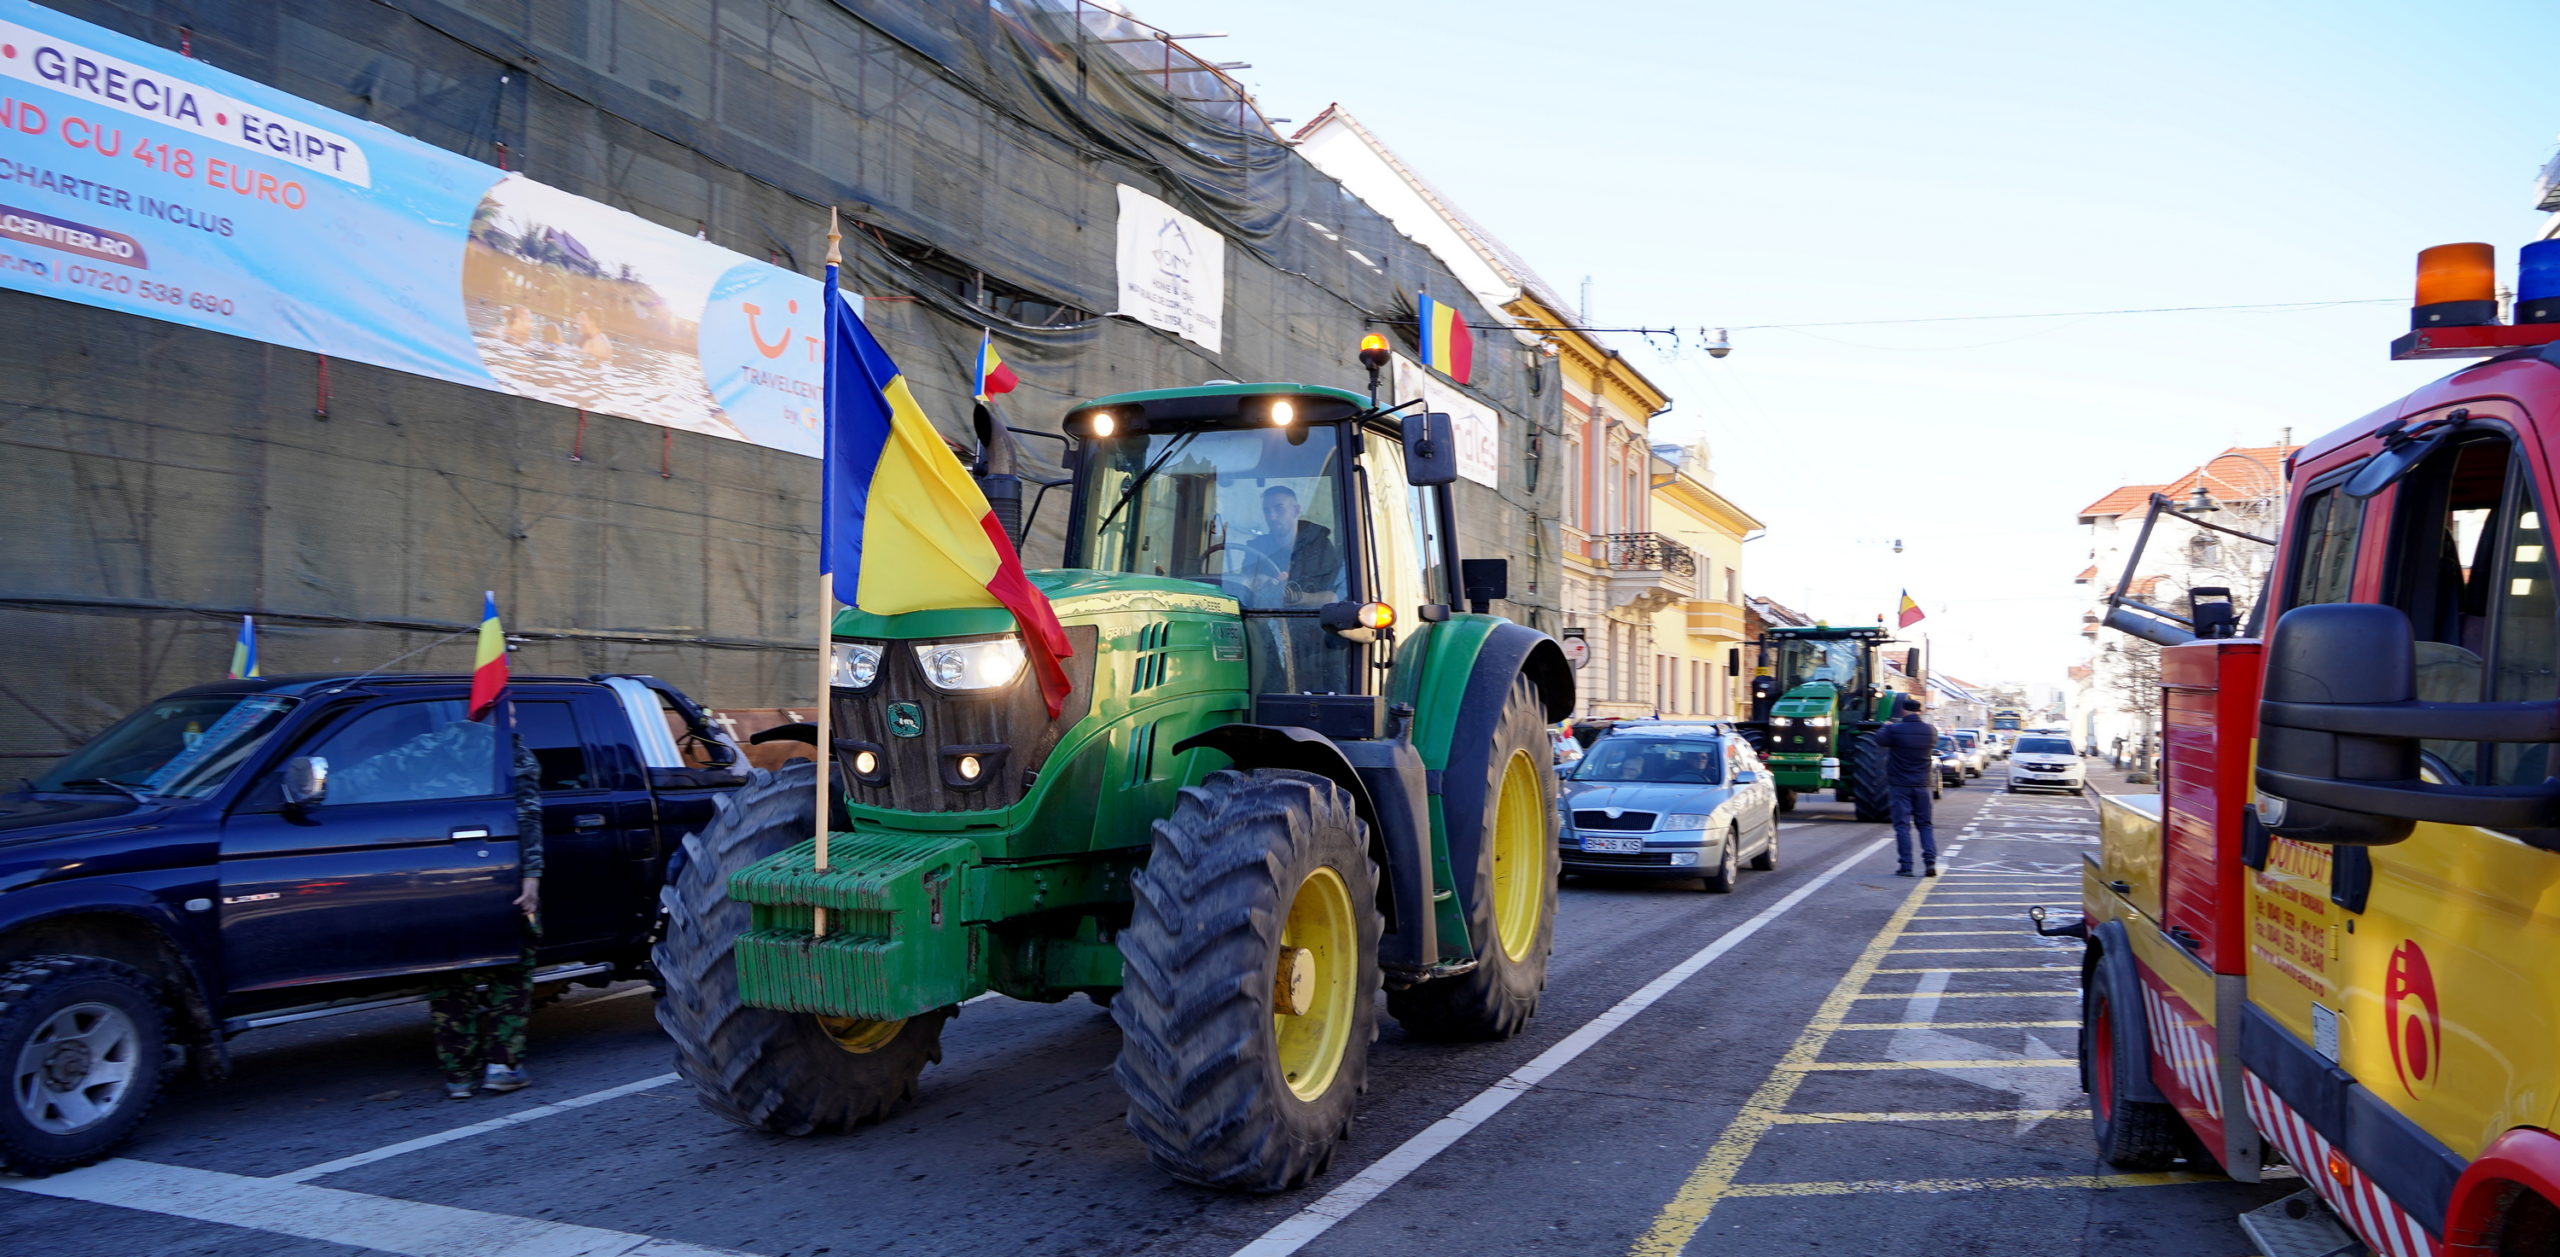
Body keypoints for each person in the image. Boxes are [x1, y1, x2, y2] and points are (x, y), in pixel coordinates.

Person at [425, 736, 544, 1098]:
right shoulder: (511, 752)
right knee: (512, 969)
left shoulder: (425, 749)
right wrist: (532, 879)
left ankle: (459, 1074)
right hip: (498, 871)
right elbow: (528, 815)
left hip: (435, 876)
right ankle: (502, 1066)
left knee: (449, 972)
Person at [1244, 485, 1343, 608]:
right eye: (1267, 511)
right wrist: (1258, 583)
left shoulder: (1320, 546)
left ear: (1296, 511)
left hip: (1310, 621)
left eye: (1279, 509)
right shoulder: (1256, 548)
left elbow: (1333, 598)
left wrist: (1292, 595)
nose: (1272, 517)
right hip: (1262, 620)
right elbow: (1244, 590)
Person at [1872, 695, 1939, 877]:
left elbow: (1879, 740)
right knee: (1925, 824)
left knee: (1902, 825)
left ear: (1903, 710)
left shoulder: (1895, 729)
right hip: (1922, 784)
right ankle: (1930, 861)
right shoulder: (1930, 731)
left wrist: (1885, 727)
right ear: (1920, 711)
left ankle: (1906, 865)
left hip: (1900, 784)